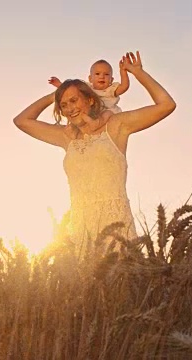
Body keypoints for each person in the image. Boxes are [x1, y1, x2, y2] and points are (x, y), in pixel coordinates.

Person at [14, 51, 176, 254]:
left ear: (90, 100)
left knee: (123, 282)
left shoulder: (116, 126)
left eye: (74, 100)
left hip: (117, 229)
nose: (69, 108)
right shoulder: (66, 137)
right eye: (63, 105)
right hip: (81, 231)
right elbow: (21, 121)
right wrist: (54, 95)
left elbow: (167, 105)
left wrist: (137, 72)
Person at [48, 58, 129, 115]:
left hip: (110, 115)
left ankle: (95, 123)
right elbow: (71, 90)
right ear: (90, 79)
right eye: (97, 74)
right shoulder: (87, 88)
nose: (102, 76)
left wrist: (123, 71)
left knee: (107, 114)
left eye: (106, 74)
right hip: (94, 115)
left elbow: (124, 87)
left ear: (111, 80)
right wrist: (59, 84)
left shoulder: (111, 90)